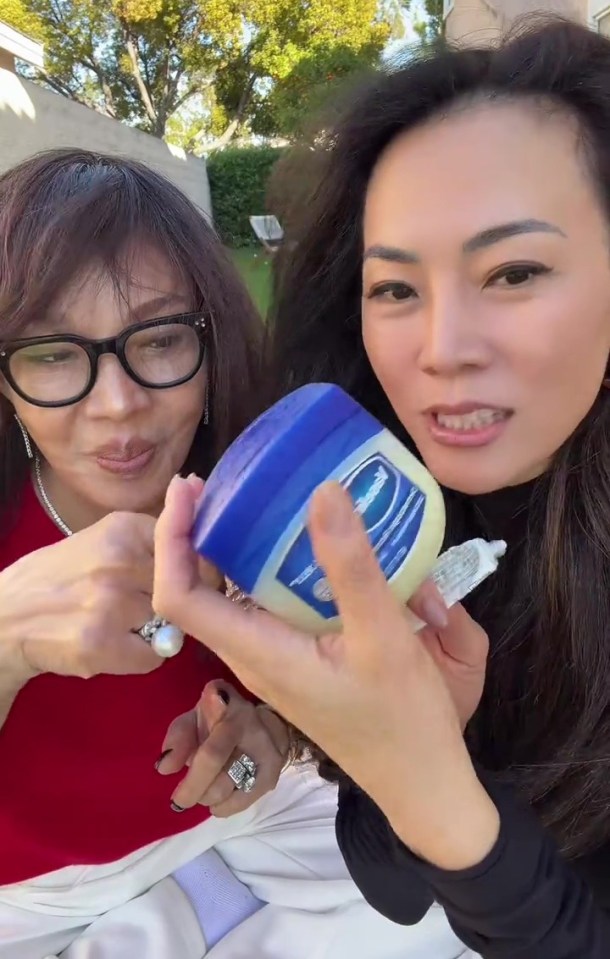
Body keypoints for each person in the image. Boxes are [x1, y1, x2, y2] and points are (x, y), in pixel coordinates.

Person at [152, 16, 610, 958]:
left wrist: (438, 789)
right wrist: (368, 730)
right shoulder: (396, 519)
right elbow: (394, 887)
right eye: (395, 289)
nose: (441, 351)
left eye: (514, 271)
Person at [0, 150, 459, 959]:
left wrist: (274, 731)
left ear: (212, 342)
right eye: (50, 353)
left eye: (161, 339)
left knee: (449, 915)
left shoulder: (271, 492)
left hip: (260, 832)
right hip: (31, 898)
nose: (118, 405)